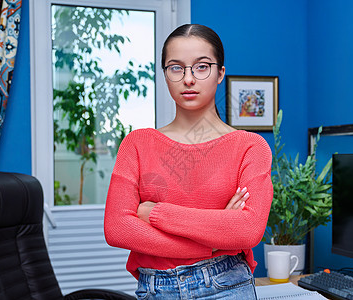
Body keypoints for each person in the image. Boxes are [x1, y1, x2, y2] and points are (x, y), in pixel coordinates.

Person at [104, 24, 273, 299]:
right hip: (156, 289)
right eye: (176, 67)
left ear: (220, 74)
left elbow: (248, 230)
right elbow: (117, 229)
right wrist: (215, 241)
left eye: (202, 66)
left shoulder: (250, 147)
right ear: (165, 75)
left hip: (227, 285)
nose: (189, 79)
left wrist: (156, 214)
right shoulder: (136, 144)